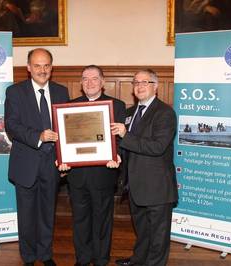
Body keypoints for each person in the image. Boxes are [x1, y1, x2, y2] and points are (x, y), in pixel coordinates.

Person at [4, 48, 69, 266]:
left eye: (46, 65)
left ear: (52, 68)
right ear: (29, 68)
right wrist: (38, 136)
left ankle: (45, 254)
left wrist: (66, 156)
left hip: (52, 164)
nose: (42, 70)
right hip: (26, 163)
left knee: (47, 212)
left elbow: (67, 128)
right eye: (37, 65)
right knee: (27, 214)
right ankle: (29, 257)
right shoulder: (15, 92)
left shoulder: (62, 92)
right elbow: (11, 126)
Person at [59, 65, 126, 266]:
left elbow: (121, 140)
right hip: (77, 175)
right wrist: (62, 158)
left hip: (104, 173)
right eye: (85, 79)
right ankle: (83, 258)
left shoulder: (117, 106)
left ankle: (101, 259)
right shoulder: (69, 107)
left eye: (94, 78)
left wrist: (118, 155)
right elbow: (64, 140)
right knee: (80, 220)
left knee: (102, 220)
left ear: (103, 82)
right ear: (81, 83)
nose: (89, 83)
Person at [111, 69, 178, 266]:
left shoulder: (165, 113)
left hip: (157, 187)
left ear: (155, 87)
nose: (139, 86)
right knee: (142, 230)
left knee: (158, 235)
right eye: (136, 82)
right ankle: (138, 260)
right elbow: (126, 146)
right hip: (134, 185)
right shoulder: (130, 113)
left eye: (145, 82)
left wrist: (125, 135)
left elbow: (157, 147)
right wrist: (115, 155)